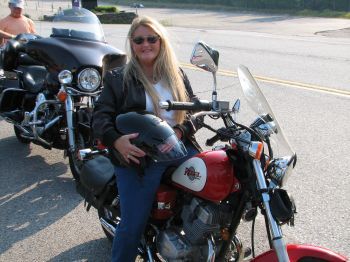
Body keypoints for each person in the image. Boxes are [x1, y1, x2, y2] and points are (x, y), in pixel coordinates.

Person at [93, 16, 201, 262]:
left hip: (178, 148)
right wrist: (116, 141)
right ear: (131, 44)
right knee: (133, 225)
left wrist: (181, 131)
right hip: (139, 156)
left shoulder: (176, 74)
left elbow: (194, 110)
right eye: (139, 39)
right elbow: (99, 117)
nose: (146, 44)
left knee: (212, 183)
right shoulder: (119, 78)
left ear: (161, 42)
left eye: (152, 38)